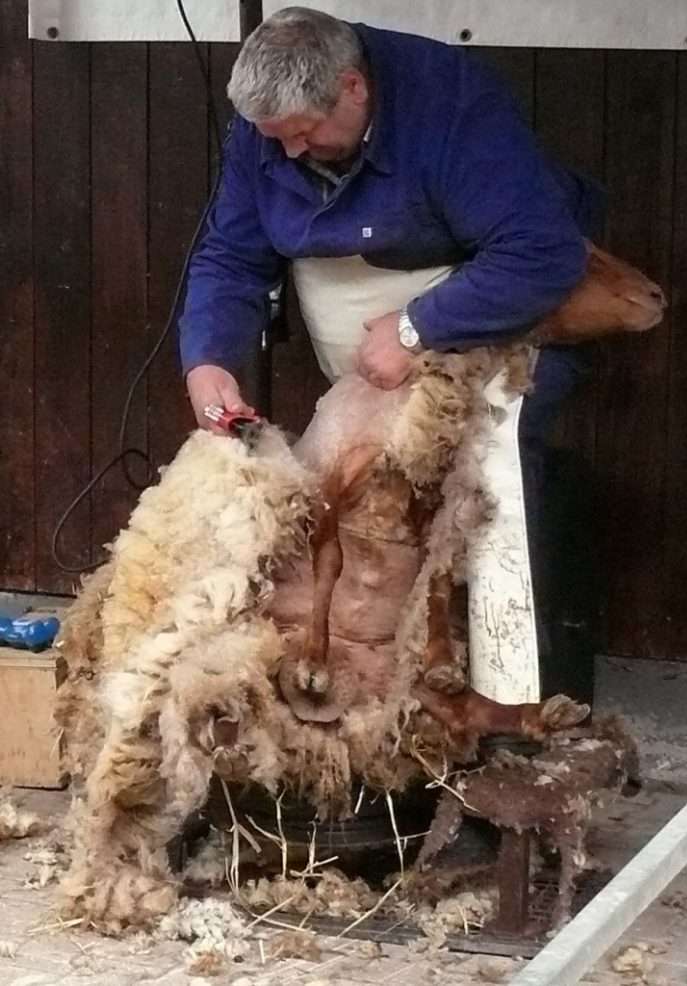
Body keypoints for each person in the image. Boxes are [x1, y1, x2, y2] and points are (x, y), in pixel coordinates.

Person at [179, 6, 605, 704]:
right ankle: (380, 678)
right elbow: (230, 255)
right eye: (276, 139)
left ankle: (519, 697)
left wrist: (418, 328)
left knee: (494, 475)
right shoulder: (269, 133)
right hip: (362, 341)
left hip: (487, 318)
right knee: (340, 490)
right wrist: (209, 359)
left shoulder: (453, 106)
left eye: (304, 133)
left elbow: (542, 251)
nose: (291, 152)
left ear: (354, 87)